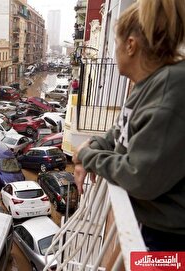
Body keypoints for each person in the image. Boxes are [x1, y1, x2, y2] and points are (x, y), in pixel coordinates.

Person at [72, 0, 185, 251]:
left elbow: (139, 176)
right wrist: (95, 147)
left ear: (130, 45)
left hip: (170, 242)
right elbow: (120, 130)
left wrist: (87, 155)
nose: (115, 51)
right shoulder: (148, 84)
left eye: (116, 44)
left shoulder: (170, 90)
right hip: (152, 227)